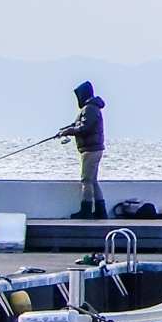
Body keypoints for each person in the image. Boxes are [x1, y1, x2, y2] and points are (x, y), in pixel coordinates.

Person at [58, 81, 106, 219]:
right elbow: (78, 124)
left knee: (86, 180)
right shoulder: (91, 108)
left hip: (90, 150)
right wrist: (65, 130)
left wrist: (69, 131)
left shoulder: (89, 108)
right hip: (95, 149)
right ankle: (100, 211)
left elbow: (85, 128)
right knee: (93, 181)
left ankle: (86, 210)